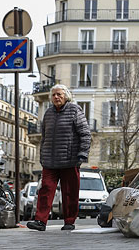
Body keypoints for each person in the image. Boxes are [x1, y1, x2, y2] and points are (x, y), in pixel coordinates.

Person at [27, 84, 91, 231]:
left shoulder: (75, 110)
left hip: (70, 160)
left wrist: (82, 154)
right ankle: (40, 221)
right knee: (45, 190)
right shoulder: (48, 113)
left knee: (70, 193)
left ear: (66, 96)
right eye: (54, 95)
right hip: (50, 161)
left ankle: (69, 221)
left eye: (59, 94)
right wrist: (42, 155)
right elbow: (44, 137)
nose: (56, 97)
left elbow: (85, 134)